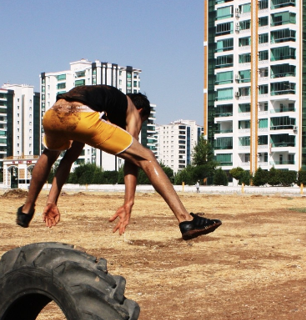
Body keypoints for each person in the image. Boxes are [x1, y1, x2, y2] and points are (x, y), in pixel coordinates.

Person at [16, 85, 221, 240]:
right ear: (141, 112)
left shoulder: (96, 100)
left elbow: (67, 159)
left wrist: (52, 200)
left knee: (50, 154)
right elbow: (133, 161)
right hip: (84, 116)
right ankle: (185, 219)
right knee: (147, 157)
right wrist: (128, 203)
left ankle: (27, 210)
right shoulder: (132, 109)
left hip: (53, 113)